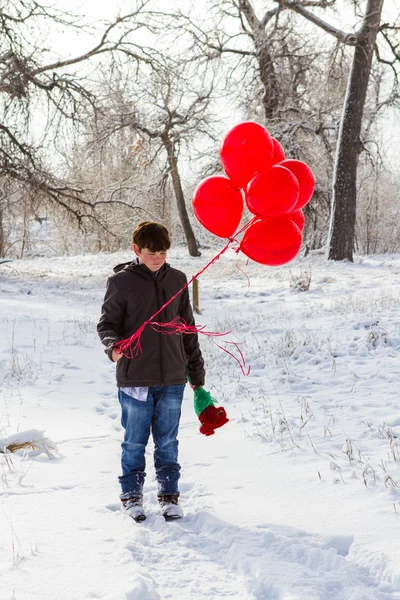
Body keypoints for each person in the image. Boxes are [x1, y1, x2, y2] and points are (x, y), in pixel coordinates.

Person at [97, 221, 205, 522]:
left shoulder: (178, 280)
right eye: (151, 253)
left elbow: (188, 331)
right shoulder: (121, 282)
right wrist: (114, 347)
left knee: (168, 441)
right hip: (135, 379)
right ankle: (131, 496)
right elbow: (106, 325)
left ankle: (169, 496)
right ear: (136, 250)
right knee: (134, 441)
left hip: (172, 377)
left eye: (162, 252)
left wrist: (196, 376)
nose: (158, 258)